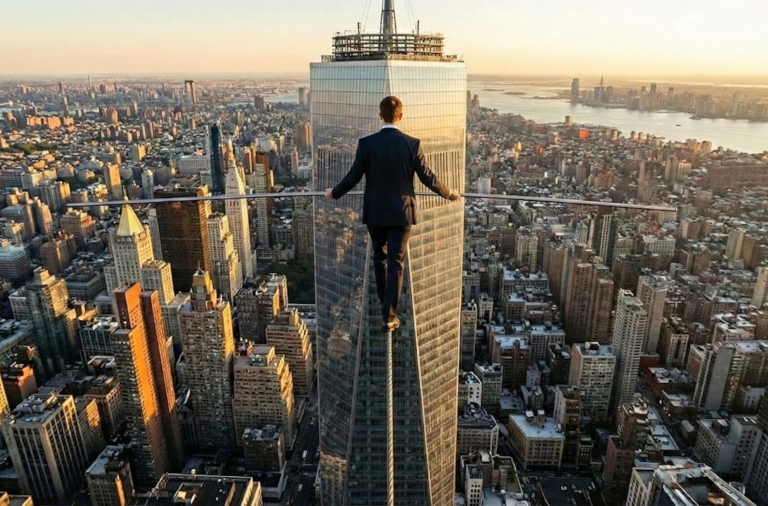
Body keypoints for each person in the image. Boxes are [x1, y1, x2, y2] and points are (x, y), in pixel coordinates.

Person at [325, 96, 461, 331]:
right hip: (402, 212)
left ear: (380, 116)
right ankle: (390, 314)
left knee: (380, 258)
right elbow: (428, 178)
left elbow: (353, 177)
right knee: (396, 262)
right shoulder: (412, 144)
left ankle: (384, 303)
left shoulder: (366, 144)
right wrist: (449, 193)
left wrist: (334, 193)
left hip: (376, 212)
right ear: (401, 115)